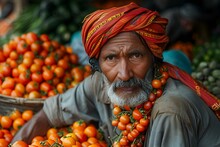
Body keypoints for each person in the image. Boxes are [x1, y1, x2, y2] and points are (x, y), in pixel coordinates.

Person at [12, 2, 220, 146]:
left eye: (136, 56)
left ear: (154, 58)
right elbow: (50, 112)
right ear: (98, 64)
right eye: (111, 58)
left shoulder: (170, 111)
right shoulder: (101, 82)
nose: (124, 73)